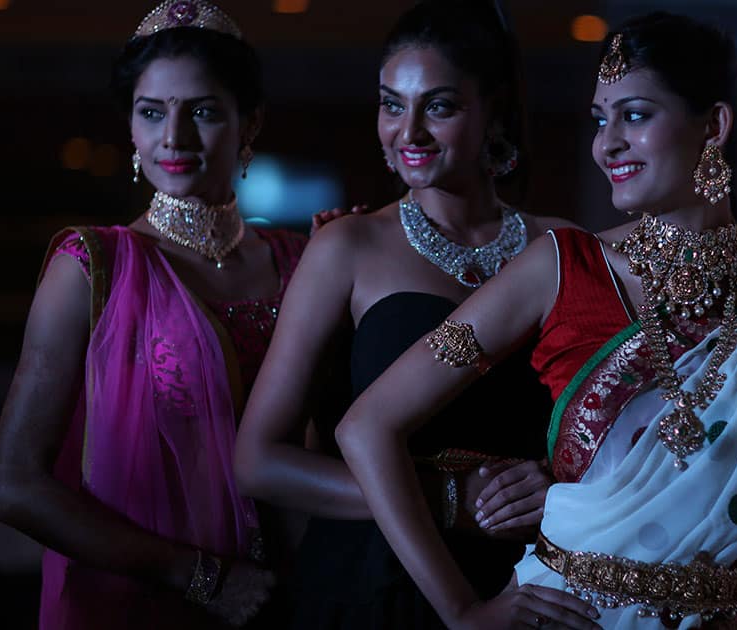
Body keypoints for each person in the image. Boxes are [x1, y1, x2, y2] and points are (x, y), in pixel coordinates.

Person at [335, 12, 737, 630]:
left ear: (713, 126)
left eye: (634, 115)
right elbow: (367, 427)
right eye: (599, 121)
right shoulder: (560, 267)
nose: (606, 144)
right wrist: (463, 610)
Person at [233, 1, 586, 627]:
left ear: (493, 113)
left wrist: (551, 480)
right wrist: (447, 499)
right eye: (392, 104)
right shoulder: (347, 246)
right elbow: (259, 461)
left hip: (529, 582)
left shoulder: (560, 248)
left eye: (440, 106)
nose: (408, 131)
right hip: (373, 584)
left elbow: (604, 435)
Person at [0, 1, 306, 627]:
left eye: (205, 112)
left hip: (299, 596)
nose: (175, 138)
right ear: (130, 128)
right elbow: (14, 485)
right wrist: (200, 579)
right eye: (152, 112)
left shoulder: (304, 262)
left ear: (250, 124)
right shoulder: (93, 266)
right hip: (146, 603)